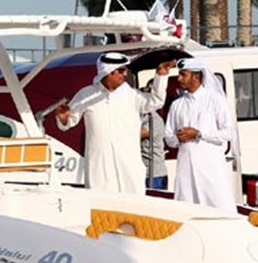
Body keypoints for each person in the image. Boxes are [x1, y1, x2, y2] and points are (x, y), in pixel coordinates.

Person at [55, 52, 175, 195]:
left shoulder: (132, 95)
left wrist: (161, 76)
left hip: (128, 165)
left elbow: (156, 102)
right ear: (108, 72)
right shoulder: (86, 95)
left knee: (133, 207)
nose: (125, 74)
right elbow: (69, 122)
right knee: (101, 207)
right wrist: (63, 118)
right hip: (100, 167)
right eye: (121, 70)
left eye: (125, 70)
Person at [164, 57, 236, 212]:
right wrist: (177, 138)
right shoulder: (177, 105)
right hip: (186, 168)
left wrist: (199, 134)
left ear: (196, 77)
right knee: (186, 208)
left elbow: (229, 133)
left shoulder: (215, 100)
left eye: (183, 75)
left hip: (210, 167)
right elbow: (168, 136)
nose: (179, 78)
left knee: (219, 206)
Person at [141, 109, 167, 190]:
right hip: (140, 172)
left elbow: (142, 133)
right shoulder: (139, 117)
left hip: (154, 174)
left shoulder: (153, 119)